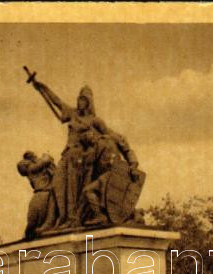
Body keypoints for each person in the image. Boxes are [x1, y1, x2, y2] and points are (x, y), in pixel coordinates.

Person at [29, 80, 141, 227]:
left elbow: (118, 139)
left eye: (83, 100)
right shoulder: (73, 114)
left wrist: (133, 163)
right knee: (56, 184)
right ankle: (55, 220)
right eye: (79, 99)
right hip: (66, 155)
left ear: (89, 102)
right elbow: (57, 102)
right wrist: (42, 88)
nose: (80, 102)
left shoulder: (95, 121)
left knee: (72, 191)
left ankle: (71, 219)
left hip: (80, 159)